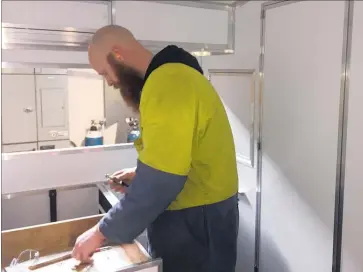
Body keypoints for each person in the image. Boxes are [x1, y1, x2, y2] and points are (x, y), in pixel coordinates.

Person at [71, 25, 239, 272]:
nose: (109, 82)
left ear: (117, 54)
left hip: (198, 220)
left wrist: (100, 232)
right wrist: (140, 175)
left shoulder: (167, 83)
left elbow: (162, 180)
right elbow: (179, 156)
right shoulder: (175, 76)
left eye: (105, 73)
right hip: (204, 212)